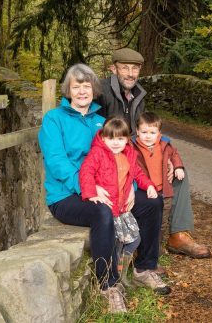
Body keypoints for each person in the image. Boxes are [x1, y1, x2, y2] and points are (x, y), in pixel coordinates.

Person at [38, 64, 165, 314]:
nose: (83, 91)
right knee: (102, 212)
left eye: (87, 86)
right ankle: (108, 285)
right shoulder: (54, 119)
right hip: (66, 196)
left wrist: (130, 188)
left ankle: (144, 268)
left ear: (94, 89)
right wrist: (90, 189)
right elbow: (56, 162)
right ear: (68, 90)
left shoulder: (101, 123)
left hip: (111, 189)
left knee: (152, 203)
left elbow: (125, 155)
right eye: (77, 86)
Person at [96, 48, 211, 259]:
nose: (130, 73)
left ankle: (178, 234)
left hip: (136, 152)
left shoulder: (138, 93)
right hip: (113, 159)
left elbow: (148, 130)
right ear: (113, 69)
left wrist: (167, 157)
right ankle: (141, 239)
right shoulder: (101, 92)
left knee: (178, 175)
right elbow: (96, 134)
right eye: (125, 68)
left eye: (135, 68)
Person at [79, 117, 170, 294]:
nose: (115, 143)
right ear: (103, 138)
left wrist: (149, 185)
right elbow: (86, 172)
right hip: (109, 208)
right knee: (114, 241)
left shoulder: (128, 154)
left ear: (127, 140)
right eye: (111, 139)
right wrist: (91, 192)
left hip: (122, 209)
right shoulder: (97, 154)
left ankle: (131, 267)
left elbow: (138, 174)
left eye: (120, 139)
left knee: (134, 239)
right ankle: (114, 277)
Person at [132, 112, 208, 256]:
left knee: (162, 220)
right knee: (149, 219)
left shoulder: (164, 144)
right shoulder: (133, 147)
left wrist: (178, 166)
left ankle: (162, 243)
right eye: (144, 132)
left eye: (152, 132)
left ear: (159, 133)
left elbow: (174, 154)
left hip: (162, 190)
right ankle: (143, 246)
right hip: (144, 187)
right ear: (137, 132)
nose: (148, 136)